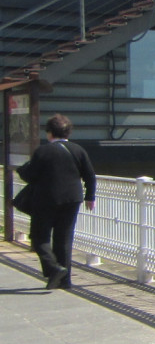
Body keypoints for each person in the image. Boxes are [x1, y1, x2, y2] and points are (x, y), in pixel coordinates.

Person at [17, 114, 96, 290]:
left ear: (50, 133)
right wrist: (90, 197)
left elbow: (30, 176)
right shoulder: (78, 150)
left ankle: (54, 269)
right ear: (68, 132)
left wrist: (21, 170)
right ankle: (65, 281)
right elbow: (90, 175)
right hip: (73, 199)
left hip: (46, 199)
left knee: (39, 238)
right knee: (64, 239)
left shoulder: (43, 151)